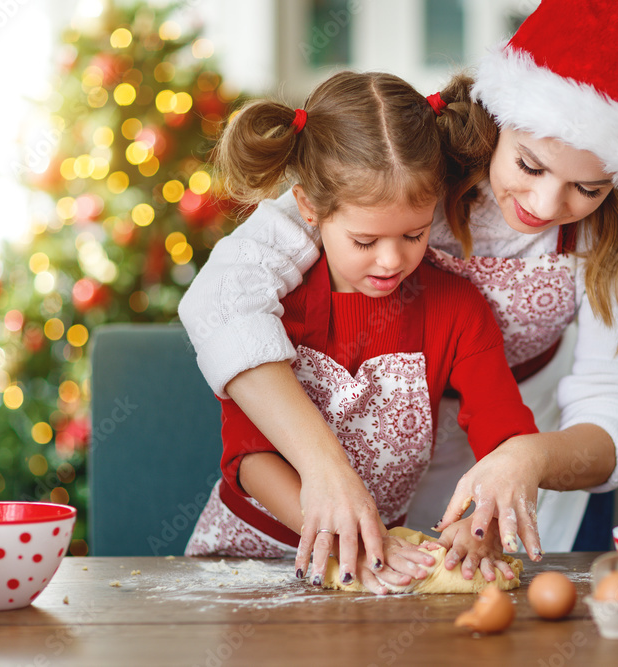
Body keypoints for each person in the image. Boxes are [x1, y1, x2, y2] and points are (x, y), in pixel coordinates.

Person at [179, 0, 618, 568]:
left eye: (589, 187)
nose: (548, 204)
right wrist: (325, 471)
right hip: (354, 462)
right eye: (530, 166)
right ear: (497, 118)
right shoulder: (404, 170)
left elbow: (615, 406)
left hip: (520, 442)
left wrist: (527, 459)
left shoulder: (615, 232)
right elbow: (224, 298)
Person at [183, 71, 538, 594]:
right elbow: (249, 459)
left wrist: (482, 517)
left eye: (414, 234)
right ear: (308, 208)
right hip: (243, 557)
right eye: (365, 240)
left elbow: (505, 436)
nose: (392, 260)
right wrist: (344, 528)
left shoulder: (458, 309)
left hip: (376, 553)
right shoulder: (269, 305)